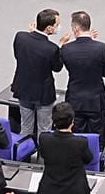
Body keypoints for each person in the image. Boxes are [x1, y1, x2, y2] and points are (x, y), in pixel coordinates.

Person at [11, 9, 65, 141]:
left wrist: (31, 34)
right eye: (57, 24)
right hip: (43, 95)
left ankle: (23, 157)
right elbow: (57, 67)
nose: (59, 27)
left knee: (26, 127)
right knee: (44, 129)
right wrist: (61, 47)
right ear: (49, 28)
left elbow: (20, 54)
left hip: (23, 90)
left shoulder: (20, 37)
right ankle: (43, 158)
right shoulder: (52, 49)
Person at [59, 11, 105, 134]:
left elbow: (63, 64)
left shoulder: (66, 49)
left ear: (76, 27)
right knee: (96, 137)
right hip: (96, 101)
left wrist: (61, 44)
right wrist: (92, 43)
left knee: (76, 136)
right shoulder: (101, 48)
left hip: (75, 100)